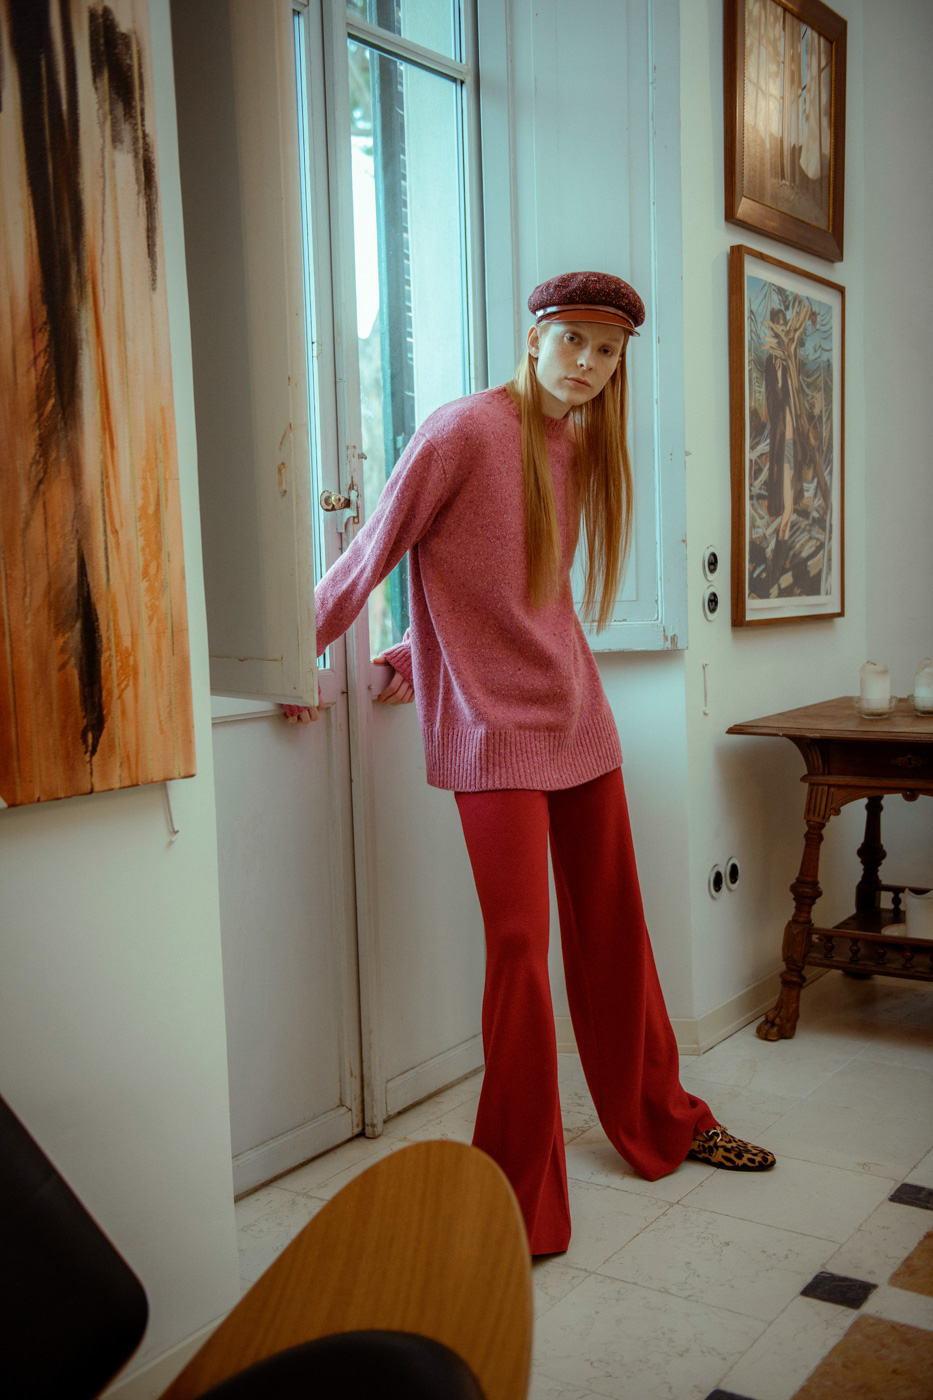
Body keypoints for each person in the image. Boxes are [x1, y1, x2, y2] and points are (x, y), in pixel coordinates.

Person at [284, 271, 775, 1255]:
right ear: (535, 336)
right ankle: (516, 1195)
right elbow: (379, 548)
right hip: (492, 733)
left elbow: (516, 595)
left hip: (578, 719)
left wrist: (409, 653)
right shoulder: (460, 431)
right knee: (519, 950)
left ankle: (663, 1117)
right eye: (573, 340)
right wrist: (294, 651)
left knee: (616, 932)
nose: (587, 363)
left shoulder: (579, 448)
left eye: (608, 351)